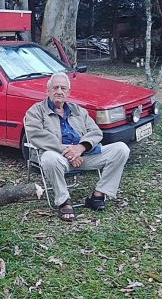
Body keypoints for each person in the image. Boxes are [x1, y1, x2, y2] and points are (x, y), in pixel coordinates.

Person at [25, 72, 130, 222]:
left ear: (68, 92)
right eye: (55, 88)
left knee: (121, 149)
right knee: (48, 158)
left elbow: (95, 131)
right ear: (47, 91)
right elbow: (35, 134)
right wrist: (67, 152)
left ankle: (98, 195)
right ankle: (63, 201)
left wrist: (80, 148)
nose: (59, 91)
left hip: (84, 156)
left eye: (63, 88)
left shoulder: (78, 110)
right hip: (58, 158)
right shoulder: (36, 111)